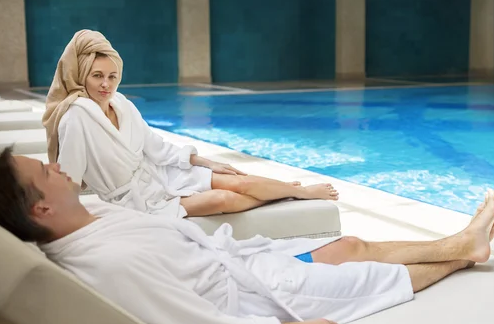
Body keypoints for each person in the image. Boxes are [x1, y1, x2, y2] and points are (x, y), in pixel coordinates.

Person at [0, 149, 494, 324]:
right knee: (372, 279)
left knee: (353, 245)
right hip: (255, 303)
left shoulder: (94, 220)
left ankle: (460, 243)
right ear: (40, 210)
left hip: (247, 265)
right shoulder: (108, 264)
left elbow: (167, 229)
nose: (56, 166)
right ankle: (462, 256)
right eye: (45, 172)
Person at [42, 29, 339, 219]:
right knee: (224, 197)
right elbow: (68, 180)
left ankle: (295, 190)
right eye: (97, 76)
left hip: (160, 174)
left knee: (240, 180)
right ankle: (280, 195)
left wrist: (204, 161)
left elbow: (156, 148)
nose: (106, 84)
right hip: (135, 203)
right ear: (82, 76)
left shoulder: (123, 105)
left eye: (112, 76)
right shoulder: (76, 117)